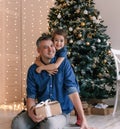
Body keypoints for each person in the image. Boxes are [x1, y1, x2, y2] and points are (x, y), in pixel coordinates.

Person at [11, 33, 96, 129]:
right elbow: (31, 95)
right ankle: (37, 123)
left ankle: (41, 125)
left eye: (52, 46)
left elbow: (72, 92)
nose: (51, 49)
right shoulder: (33, 70)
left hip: (61, 112)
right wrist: (31, 112)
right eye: (45, 47)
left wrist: (83, 118)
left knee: (50, 125)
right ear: (38, 50)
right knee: (17, 124)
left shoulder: (64, 65)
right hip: (41, 110)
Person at [35, 29, 82, 126]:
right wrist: (46, 68)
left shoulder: (62, 52)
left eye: (61, 41)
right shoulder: (51, 49)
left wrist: (43, 67)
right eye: (56, 40)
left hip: (66, 72)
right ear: (52, 40)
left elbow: (56, 66)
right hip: (53, 70)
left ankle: (80, 116)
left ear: (65, 42)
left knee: (74, 93)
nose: (58, 43)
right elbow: (36, 60)